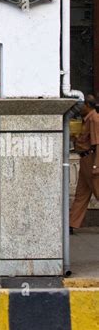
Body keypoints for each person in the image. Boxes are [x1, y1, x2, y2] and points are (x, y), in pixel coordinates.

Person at [70, 94, 99, 233]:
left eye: (81, 106)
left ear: (88, 105)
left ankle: (72, 223)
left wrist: (96, 166)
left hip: (91, 159)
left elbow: (98, 144)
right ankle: (72, 224)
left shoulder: (94, 119)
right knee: (81, 194)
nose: (79, 109)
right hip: (85, 159)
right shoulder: (87, 119)